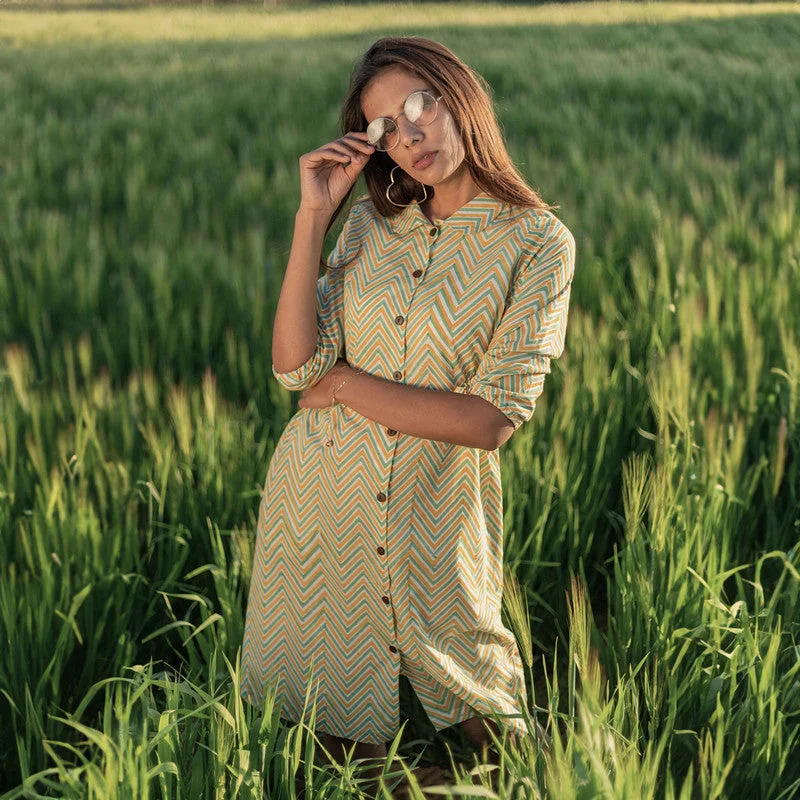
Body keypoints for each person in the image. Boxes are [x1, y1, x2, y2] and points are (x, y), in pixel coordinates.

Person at [241, 35, 574, 797]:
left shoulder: (536, 243)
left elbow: (491, 419)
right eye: (386, 125)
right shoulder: (365, 227)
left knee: (502, 741)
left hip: (438, 510)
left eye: (420, 105)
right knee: (308, 747)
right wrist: (312, 215)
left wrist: (347, 386)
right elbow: (297, 368)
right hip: (321, 504)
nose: (410, 133)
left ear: (460, 96)